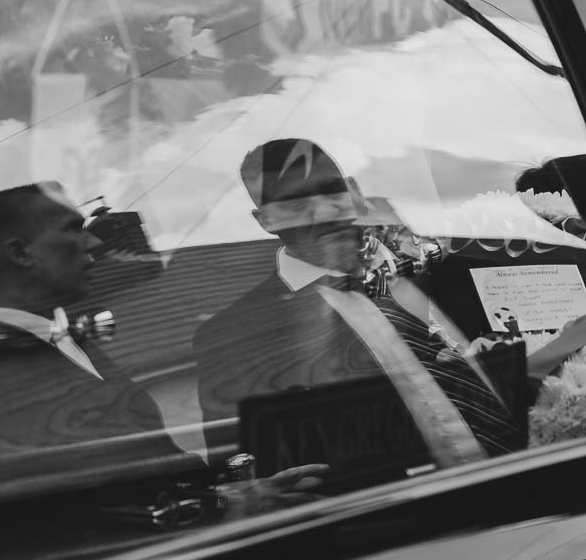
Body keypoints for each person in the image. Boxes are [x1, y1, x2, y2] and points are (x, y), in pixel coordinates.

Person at [0, 181, 325, 560]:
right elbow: (20, 537)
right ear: (20, 253)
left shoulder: (63, 341)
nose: (93, 245)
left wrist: (238, 489)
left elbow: (144, 470)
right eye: (72, 229)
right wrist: (219, 509)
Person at [195, 138, 527, 479]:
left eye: (331, 190)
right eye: (294, 204)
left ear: (354, 191)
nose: (323, 212)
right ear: (265, 220)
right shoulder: (234, 336)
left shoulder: (458, 273)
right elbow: (237, 471)